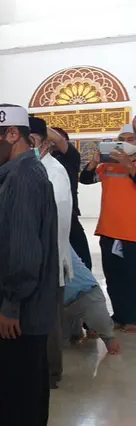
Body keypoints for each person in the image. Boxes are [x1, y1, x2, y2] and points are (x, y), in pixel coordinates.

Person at [0, 104, 59, 426]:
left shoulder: (24, 179)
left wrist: (10, 304)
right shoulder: (20, 174)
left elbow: (24, 253)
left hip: (15, 316)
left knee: (13, 398)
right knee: (23, 392)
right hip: (14, 309)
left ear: (13, 134)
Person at [30, 116, 73, 388]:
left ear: (45, 144)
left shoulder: (53, 171)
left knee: (48, 318)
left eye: (32, 142)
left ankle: (50, 373)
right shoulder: (36, 169)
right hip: (39, 254)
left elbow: (52, 214)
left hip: (48, 255)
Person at [79, 123, 136, 332]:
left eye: (130, 138)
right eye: (121, 138)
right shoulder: (107, 165)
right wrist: (94, 161)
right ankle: (120, 315)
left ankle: (133, 318)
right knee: (113, 277)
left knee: (132, 278)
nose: (125, 143)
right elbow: (85, 179)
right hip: (108, 230)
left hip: (132, 232)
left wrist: (128, 164)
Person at [48, 126, 92, 269]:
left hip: (69, 215)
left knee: (81, 261)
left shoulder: (70, 157)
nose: (52, 142)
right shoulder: (41, 159)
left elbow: (58, 139)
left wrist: (34, 123)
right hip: (47, 216)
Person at [63, 247, 121, 355]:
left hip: (86, 293)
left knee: (110, 340)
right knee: (64, 343)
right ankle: (77, 331)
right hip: (61, 304)